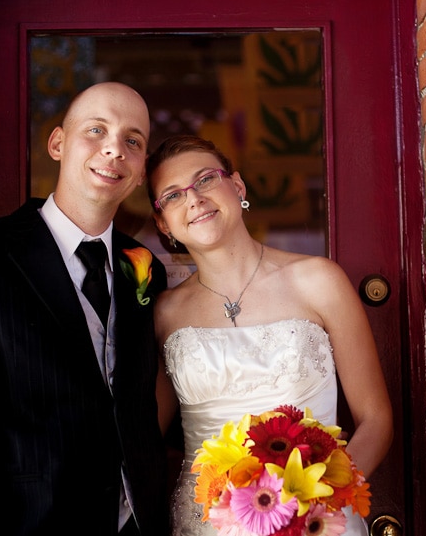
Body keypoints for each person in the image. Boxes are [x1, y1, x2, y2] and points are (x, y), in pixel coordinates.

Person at [0, 82, 169, 535]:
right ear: (58, 143)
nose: (114, 150)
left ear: (140, 171)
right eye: (96, 130)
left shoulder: (142, 268)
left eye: (132, 141)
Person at [145, 135, 394, 535]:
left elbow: (376, 419)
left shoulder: (319, 281)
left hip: (317, 520)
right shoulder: (164, 313)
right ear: (163, 223)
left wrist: (310, 501)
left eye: (206, 179)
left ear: (238, 187)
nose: (193, 199)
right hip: (207, 525)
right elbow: (143, 437)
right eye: (172, 195)